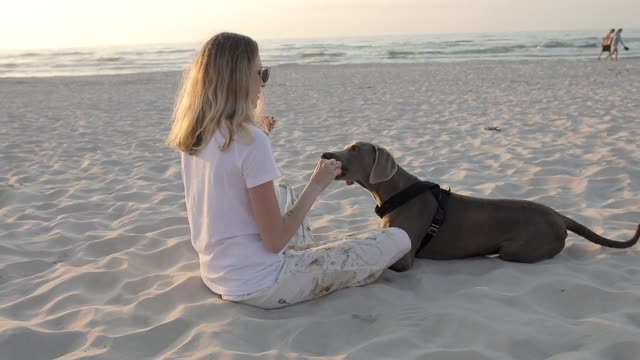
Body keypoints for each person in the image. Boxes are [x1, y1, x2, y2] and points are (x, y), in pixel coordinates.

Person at [166, 32, 411, 309]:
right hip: (263, 282)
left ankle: (311, 252)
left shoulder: (195, 135)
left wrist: (260, 137)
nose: (263, 83)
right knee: (397, 238)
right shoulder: (251, 141)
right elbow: (275, 241)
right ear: (237, 79)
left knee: (284, 193)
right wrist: (316, 184)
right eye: (259, 73)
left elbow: (231, 179)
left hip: (217, 273)